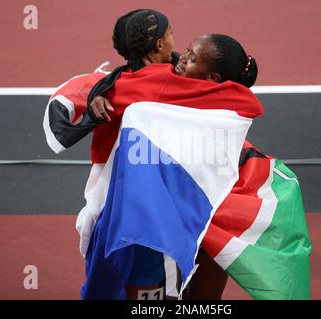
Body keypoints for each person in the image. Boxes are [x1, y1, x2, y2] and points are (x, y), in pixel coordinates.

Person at [43, 9, 263, 300]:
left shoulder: (118, 82)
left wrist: (98, 90)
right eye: (175, 38)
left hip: (136, 204)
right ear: (160, 45)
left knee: (126, 276)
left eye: (191, 56)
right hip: (160, 204)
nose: (182, 55)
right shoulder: (183, 86)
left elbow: (85, 89)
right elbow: (249, 103)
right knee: (188, 272)